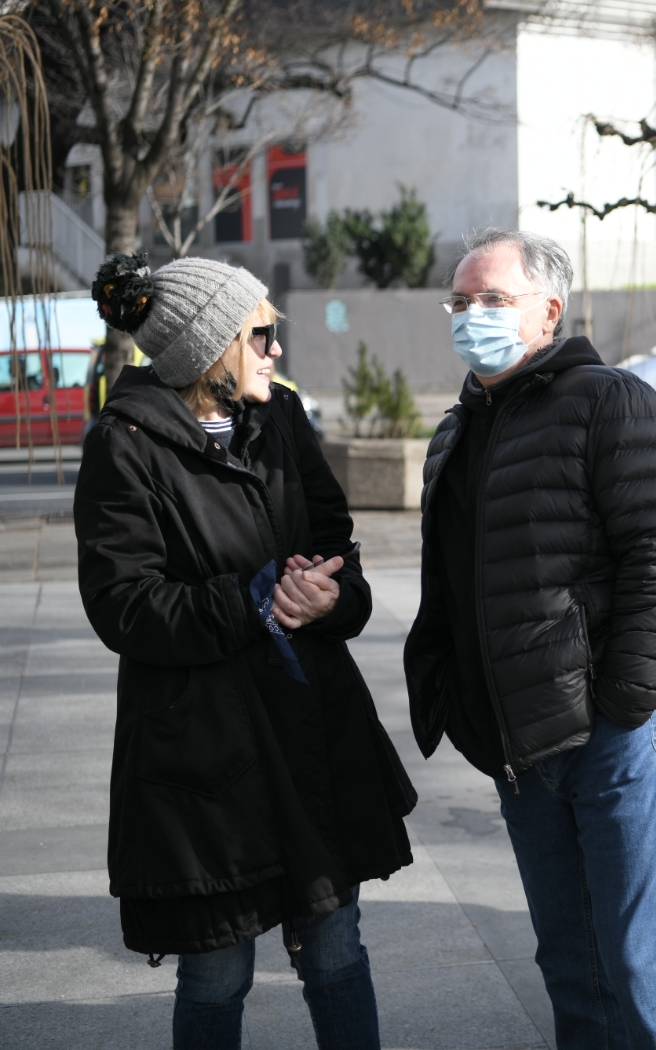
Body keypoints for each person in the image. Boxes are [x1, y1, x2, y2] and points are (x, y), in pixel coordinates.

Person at [74, 254, 415, 1050]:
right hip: (208, 755)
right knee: (218, 970)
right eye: (261, 334)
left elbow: (336, 544)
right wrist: (252, 598)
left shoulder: (282, 421)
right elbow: (123, 605)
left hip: (312, 733)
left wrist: (332, 594)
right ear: (211, 347)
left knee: (336, 949)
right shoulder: (125, 446)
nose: (275, 350)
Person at [403, 229, 656, 1050]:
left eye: (493, 299)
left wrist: (627, 702)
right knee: (569, 960)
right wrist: (453, 696)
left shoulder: (610, 399)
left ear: (549, 312)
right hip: (518, 740)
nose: (472, 316)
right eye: (461, 302)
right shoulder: (457, 430)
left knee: (641, 960)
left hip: (610, 733)